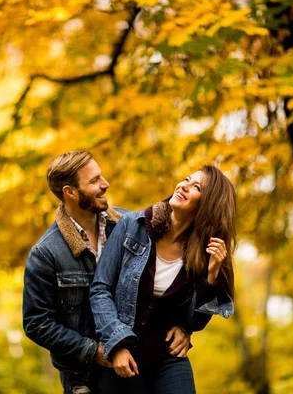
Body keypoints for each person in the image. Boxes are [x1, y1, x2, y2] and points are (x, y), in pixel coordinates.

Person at [22, 150, 189, 394]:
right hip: (85, 377)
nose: (105, 184)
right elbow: (37, 323)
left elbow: (168, 275)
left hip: (141, 360)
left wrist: (185, 325)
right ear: (70, 192)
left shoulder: (130, 225)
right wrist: (93, 351)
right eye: (94, 181)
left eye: (101, 176)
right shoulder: (46, 253)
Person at [89, 164, 236, 394]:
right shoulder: (132, 226)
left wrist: (211, 277)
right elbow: (100, 289)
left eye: (196, 186)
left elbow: (194, 320)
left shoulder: (207, 253)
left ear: (208, 205)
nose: (184, 186)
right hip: (121, 352)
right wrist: (116, 344)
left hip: (166, 357)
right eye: (186, 179)